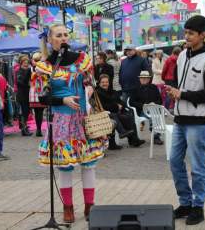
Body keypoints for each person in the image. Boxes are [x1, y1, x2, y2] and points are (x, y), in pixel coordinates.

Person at [36, 24, 107, 223]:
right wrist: (62, 100)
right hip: (60, 121)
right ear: (50, 40)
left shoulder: (82, 60)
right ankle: (68, 208)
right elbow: (42, 98)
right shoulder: (46, 66)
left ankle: (90, 206)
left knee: (88, 164)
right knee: (65, 167)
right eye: (59, 35)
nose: (64, 38)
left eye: (66, 34)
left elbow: (90, 83)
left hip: (83, 120)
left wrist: (89, 89)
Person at [165, 15, 205, 225]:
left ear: (203, 35)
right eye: (185, 32)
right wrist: (173, 91)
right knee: (175, 162)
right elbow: (179, 83)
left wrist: (183, 94)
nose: (186, 36)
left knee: (198, 166)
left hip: (197, 121)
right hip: (179, 119)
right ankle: (185, 202)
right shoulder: (182, 56)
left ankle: (198, 206)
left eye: (190, 33)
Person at [96, 74, 145, 149]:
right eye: (103, 82)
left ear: (109, 83)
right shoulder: (97, 93)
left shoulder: (112, 91)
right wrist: (116, 106)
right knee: (115, 116)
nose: (105, 84)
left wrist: (121, 105)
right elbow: (103, 106)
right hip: (104, 113)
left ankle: (134, 140)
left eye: (106, 82)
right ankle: (121, 133)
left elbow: (121, 101)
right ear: (99, 83)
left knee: (129, 117)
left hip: (115, 112)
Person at [130, 71, 162, 144]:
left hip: (153, 109)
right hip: (141, 111)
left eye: (145, 78)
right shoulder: (135, 89)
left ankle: (156, 135)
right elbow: (131, 102)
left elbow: (160, 100)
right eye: (142, 78)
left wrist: (154, 103)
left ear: (148, 79)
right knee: (153, 114)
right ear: (140, 79)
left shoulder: (154, 87)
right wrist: (143, 105)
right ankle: (156, 135)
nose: (144, 79)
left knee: (154, 113)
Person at [29, 52, 47, 137]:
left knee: (37, 112)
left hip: (35, 90)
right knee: (40, 111)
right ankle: (38, 129)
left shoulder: (32, 68)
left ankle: (38, 129)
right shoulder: (42, 67)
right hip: (40, 89)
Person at [16, 55, 33, 136]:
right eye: (24, 63)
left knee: (26, 112)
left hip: (27, 94)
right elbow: (21, 83)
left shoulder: (28, 70)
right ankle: (24, 129)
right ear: (21, 63)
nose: (26, 64)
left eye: (27, 62)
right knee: (24, 112)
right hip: (22, 95)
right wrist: (28, 72)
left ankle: (24, 127)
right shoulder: (19, 71)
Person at [162, 46, 182, 111]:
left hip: (168, 79)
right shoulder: (180, 60)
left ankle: (166, 109)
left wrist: (163, 77)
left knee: (168, 94)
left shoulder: (168, 59)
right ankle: (176, 108)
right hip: (176, 79)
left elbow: (164, 69)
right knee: (176, 93)